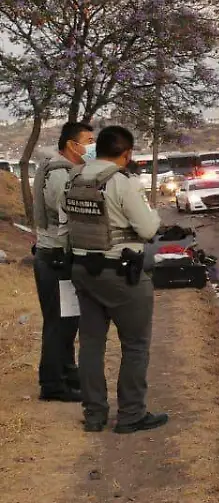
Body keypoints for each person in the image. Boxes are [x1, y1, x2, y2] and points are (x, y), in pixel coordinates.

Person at [65, 125, 169, 434]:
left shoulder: (75, 177)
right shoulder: (124, 183)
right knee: (135, 345)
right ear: (127, 153)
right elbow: (148, 230)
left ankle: (95, 415)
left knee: (91, 346)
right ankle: (131, 414)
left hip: (84, 271)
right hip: (121, 274)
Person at [31, 122, 94, 402]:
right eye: (89, 141)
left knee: (68, 320)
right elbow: (67, 213)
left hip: (57, 256)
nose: (92, 146)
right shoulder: (58, 173)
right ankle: (52, 385)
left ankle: (68, 373)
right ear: (72, 144)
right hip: (55, 257)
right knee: (58, 322)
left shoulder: (62, 169)